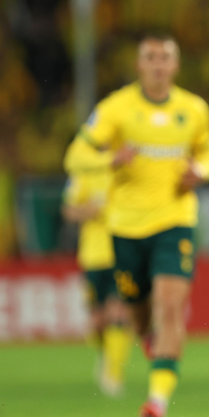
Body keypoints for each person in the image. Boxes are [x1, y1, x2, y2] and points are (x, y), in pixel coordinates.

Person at [64, 32, 209, 417]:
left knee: (170, 305)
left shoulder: (194, 109)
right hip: (125, 227)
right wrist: (109, 160)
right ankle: (150, 341)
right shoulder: (116, 109)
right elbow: (75, 155)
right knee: (137, 312)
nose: (158, 64)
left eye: (165, 57)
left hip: (175, 221)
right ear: (139, 65)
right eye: (150, 57)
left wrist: (200, 171)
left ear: (176, 65)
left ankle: (157, 402)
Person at [61, 147, 132, 396]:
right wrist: (90, 211)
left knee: (119, 312)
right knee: (98, 321)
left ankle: (114, 375)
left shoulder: (128, 171)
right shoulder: (85, 172)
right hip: (93, 256)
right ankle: (105, 355)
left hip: (122, 253)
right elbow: (68, 210)